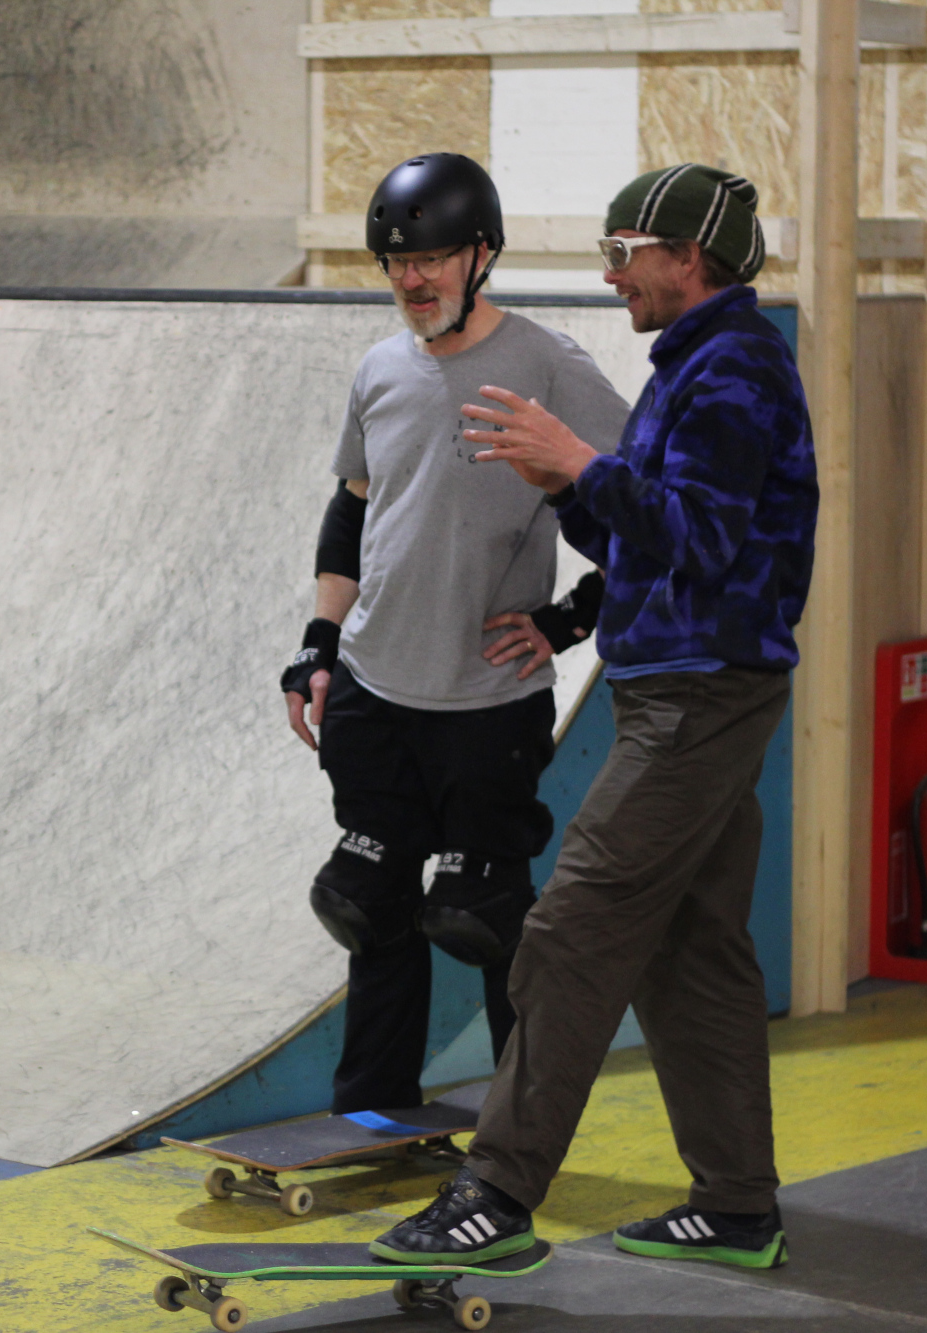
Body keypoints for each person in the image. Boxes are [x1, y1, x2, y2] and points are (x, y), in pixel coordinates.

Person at [369, 164, 816, 1269]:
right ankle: (735, 1203)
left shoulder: (733, 370)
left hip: (699, 695)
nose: (611, 275)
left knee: (570, 934)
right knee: (690, 949)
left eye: (623, 253)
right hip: (680, 684)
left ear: (687, 256)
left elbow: (698, 538)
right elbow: (635, 540)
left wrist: (579, 461)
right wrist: (567, 485)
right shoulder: (691, 365)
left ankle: (495, 1193)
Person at [280, 153, 629, 1118]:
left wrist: (569, 619)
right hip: (374, 688)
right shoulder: (379, 369)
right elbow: (353, 510)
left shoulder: (549, 366)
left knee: (483, 916)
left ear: (481, 255)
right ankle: (373, 1117)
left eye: (431, 259)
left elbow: (642, 502)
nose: (412, 280)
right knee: (370, 904)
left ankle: (521, 1136)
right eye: (396, 262)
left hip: (487, 702)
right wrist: (318, 646)